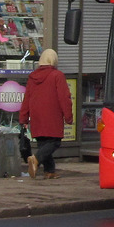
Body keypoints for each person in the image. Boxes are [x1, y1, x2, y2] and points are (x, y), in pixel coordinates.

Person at [18, 48, 73, 179]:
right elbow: (64, 98)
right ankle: (35, 159)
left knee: (43, 143)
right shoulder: (57, 75)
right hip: (52, 115)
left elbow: (27, 98)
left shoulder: (32, 77)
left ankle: (49, 171)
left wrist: (23, 118)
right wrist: (68, 116)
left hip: (37, 117)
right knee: (54, 142)